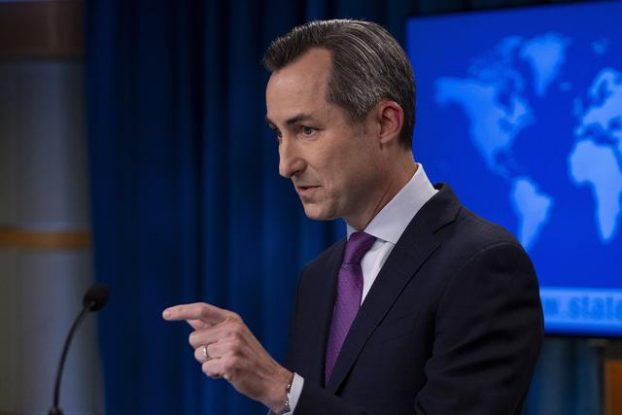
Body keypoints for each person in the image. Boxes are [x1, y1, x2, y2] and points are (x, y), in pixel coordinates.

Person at [163, 19, 544, 414]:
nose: (285, 164)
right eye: (278, 134)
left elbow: (296, 399)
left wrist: (281, 389)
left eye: (306, 130)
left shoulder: (483, 263)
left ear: (385, 123)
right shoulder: (318, 277)